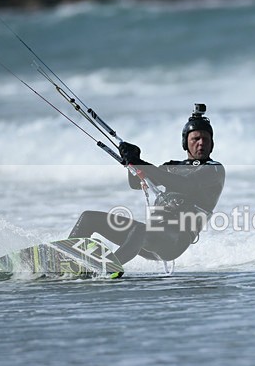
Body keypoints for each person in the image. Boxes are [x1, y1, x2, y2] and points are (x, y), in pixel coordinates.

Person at [69, 104, 225, 264]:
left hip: (174, 241)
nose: (201, 143)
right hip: (148, 237)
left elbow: (185, 185)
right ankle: (67, 259)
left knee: (140, 230)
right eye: (195, 139)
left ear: (212, 144)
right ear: (186, 142)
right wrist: (132, 160)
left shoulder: (213, 170)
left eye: (206, 139)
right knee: (89, 218)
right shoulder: (171, 166)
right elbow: (137, 183)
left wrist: (140, 162)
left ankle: (108, 267)